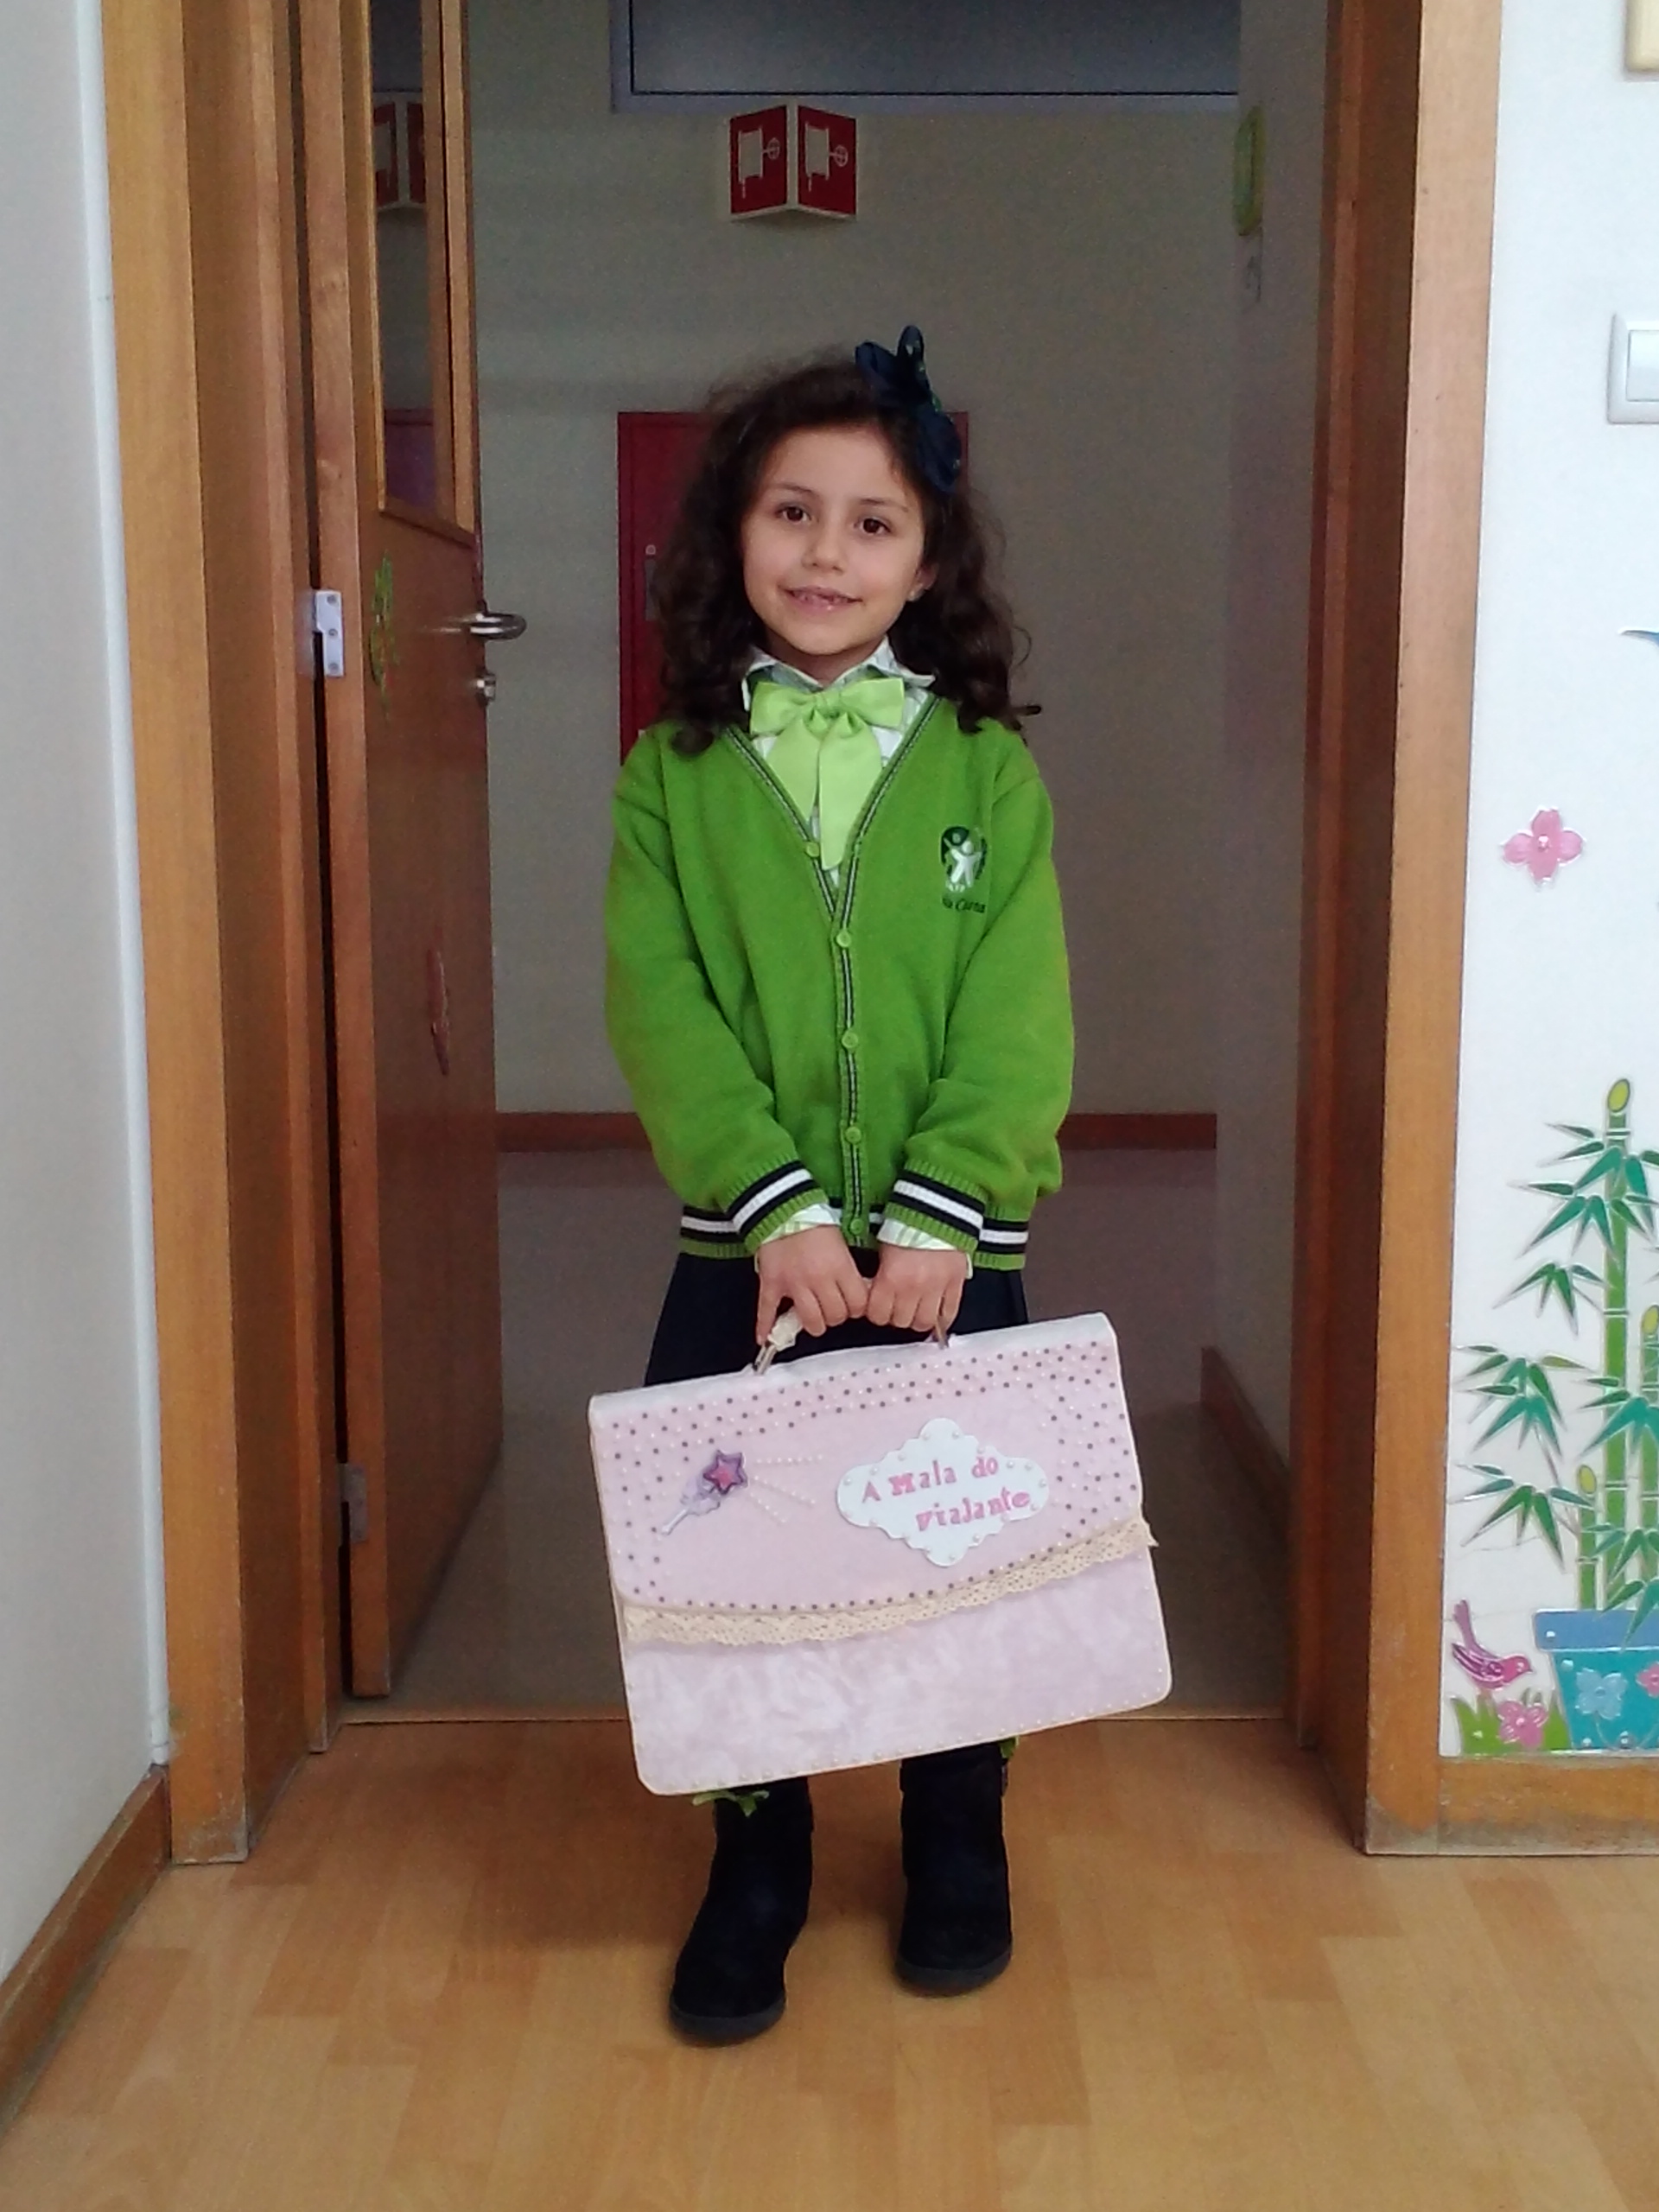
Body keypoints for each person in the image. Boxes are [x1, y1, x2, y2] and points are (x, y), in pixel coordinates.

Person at [604, 327, 1073, 2042]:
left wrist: (947, 1211)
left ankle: (957, 1831)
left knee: (958, 1559)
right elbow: (662, 1008)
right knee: (744, 1570)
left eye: (873, 523)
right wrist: (781, 1209)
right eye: (790, 512)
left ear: (927, 561)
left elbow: (1020, 1014)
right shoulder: (672, 773)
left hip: (952, 1270)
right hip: (749, 1261)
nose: (826, 553)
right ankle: (758, 1857)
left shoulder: (986, 769)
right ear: (731, 534)